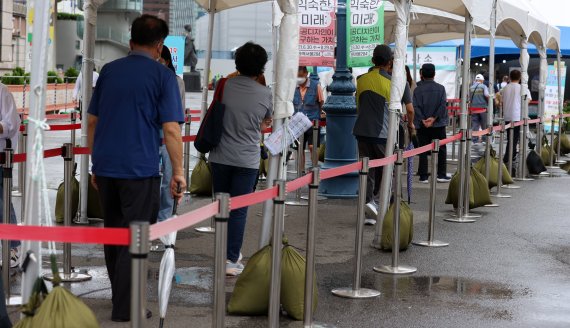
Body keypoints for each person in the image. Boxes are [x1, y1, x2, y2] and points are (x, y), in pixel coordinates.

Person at [87, 14, 185, 322]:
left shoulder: (109, 71)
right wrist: (179, 172)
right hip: (139, 169)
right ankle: (126, 308)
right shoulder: (163, 77)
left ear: (130, 42)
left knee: (114, 233)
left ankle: (121, 298)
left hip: (106, 167)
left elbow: (92, 121)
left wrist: (95, 161)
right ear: (159, 46)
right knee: (136, 236)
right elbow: (171, 129)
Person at [209, 42, 272, 276]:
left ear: (237, 63)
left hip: (220, 155)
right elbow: (266, 120)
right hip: (247, 159)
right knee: (239, 210)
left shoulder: (224, 85)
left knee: (222, 206)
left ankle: (222, 253)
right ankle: (230, 259)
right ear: (261, 68)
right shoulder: (265, 93)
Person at [353, 44, 414, 226]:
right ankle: (379, 205)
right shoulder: (397, 83)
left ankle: (367, 207)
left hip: (362, 132)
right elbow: (410, 110)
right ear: (390, 62)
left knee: (367, 172)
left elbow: (359, 105)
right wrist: (410, 125)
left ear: (373, 61)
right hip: (384, 134)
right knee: (388, 171)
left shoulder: (361, 79)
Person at [413, 64, 450, 183]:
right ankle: (441, 174)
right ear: (434, 74)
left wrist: (424, 119)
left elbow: (415, 107)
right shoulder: (441, 88)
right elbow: (442, 106)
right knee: (441, 148)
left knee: (423, 149)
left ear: (422, 74)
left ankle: (423, 176)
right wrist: (433, 118)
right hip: (438, 124)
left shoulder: (417, 89)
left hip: (422, 125)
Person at [0, 82, 22, 268]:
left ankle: (13, 248)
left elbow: (11, 124)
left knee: (2, 202)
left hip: (1, 158)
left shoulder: (2, 91)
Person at [500, 69, 531, 175]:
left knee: (510, 138)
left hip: (507, 116)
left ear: (510, 77)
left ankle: (510, 156)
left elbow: (500, 99)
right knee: (514, 139)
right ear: (520, 78)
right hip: (518, 116)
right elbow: (528, 100)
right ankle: (507, 158)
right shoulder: (523, 88)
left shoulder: (505, 88)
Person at [293, 66, 324, 168]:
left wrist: (319, 114)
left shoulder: (316, 86)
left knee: (312, 146)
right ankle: (301, 171)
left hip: (312, 121)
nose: (299, 78)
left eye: (301, 76)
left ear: (306, 73)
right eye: (297, 76)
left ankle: (314, 168)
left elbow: (321, 101)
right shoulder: (293, 86)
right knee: (299, 148)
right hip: (298, 122)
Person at [469, 74, 490, 144]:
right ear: (482, 80)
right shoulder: (484, 87)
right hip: (482, 108)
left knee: (475, 124)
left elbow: (469, 98)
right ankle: (484, 139)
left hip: (473, 108)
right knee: (484, 124)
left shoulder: (471, 87)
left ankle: (474, 140)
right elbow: (487, 95)